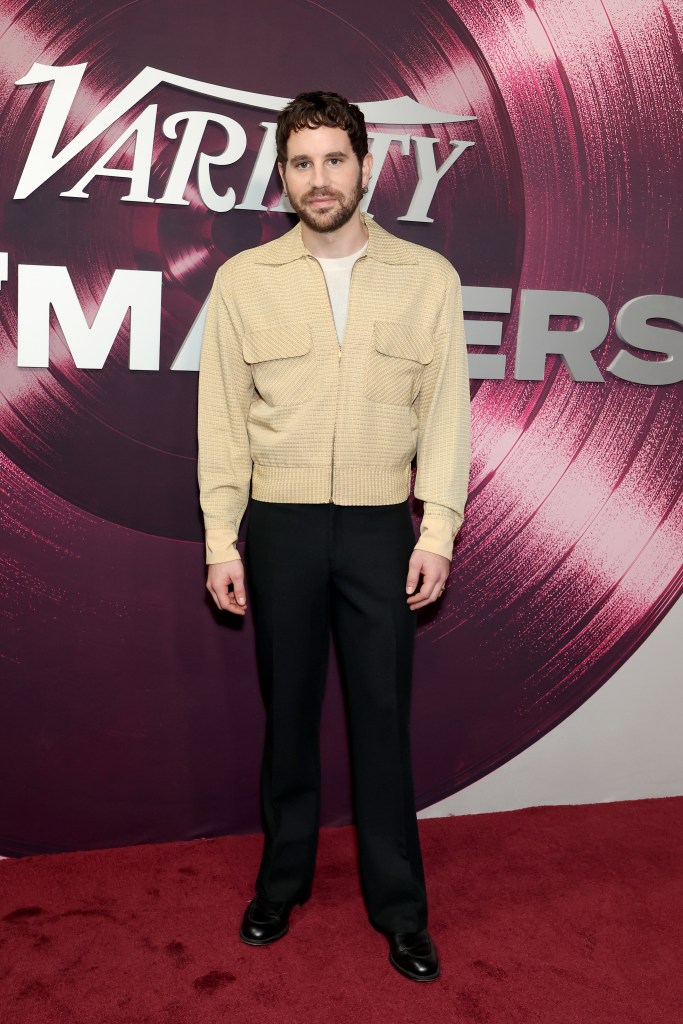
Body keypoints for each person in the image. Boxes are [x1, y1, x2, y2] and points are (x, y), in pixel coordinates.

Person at [197, 91, 470, 982]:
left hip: (378, 529)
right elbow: (222, 424)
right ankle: (280, 883)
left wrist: (436, 531)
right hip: (275, 528)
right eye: (301, 163)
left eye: (334, 159)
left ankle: (400, 910)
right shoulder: (243, 280)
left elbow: (445, 418)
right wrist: (221, 541)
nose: (319, 179)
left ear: (364, 165)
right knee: (289, 719)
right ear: (282, 176)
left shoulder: (427, 277)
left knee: (383, 720)